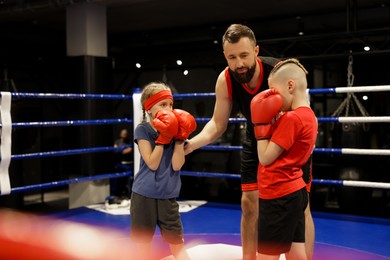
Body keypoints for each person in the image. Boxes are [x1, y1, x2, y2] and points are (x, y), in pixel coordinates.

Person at [184, 24, 315, 260]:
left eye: (244, 55)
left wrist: (305, 137)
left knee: (301, 206)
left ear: (256, 50)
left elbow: (302, 106)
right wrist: (191, 145)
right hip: (256, 137)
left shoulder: (278, 71)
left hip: (289, 137)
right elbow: (217, 123)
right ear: (225, 56)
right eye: (232, 57)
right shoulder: (225, 79)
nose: (239, 63)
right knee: (248, 203)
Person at [251, 58, 317, 259]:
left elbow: (265, 157)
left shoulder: (292, 118)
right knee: (297, 254)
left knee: (266, 256)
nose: (274, 98)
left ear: (290, 85)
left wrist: (260, 125)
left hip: (278, 193)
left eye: (274, 90)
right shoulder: (309, 116)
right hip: (295, 190)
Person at [130, 81, 196, 260]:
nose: (168, 109)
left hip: (168, 196)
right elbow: (152, 163)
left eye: (171, 104)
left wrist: (180, 139)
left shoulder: (176, 130)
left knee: (177, 245)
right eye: (163, 104)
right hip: (144, 195)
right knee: (143, 248)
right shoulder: (142, 129)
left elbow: (176, 165)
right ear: (149, 108)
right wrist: (163, 137)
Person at [111, 128, 133, 198]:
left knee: (129, 179)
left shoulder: (129, 142)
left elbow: (129, 150)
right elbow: (115, 150)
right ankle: (118, 193)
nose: (124, 135)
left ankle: (127, 193)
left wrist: (121, 150)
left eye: (125, 134)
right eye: (123, 133)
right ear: (120, 134)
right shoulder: (117, 141)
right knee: (118, 179)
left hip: (129, 163)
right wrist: (121, 150)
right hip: (120, 163)